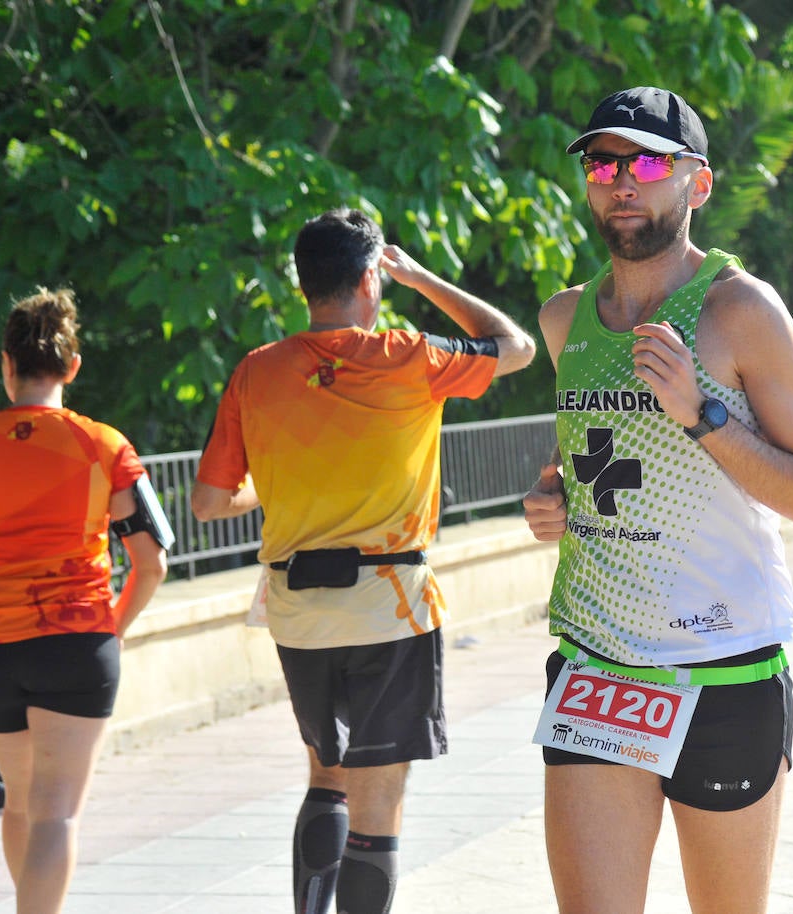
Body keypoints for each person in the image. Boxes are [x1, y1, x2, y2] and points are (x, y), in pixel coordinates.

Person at [522, 86, 793, 914]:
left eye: (648, 161)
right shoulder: (565, 320)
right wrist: (555, 493)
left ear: (696, 184)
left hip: (725, 667)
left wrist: (703, 419)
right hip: (598, 663)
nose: (622, 180)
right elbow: (595, 456)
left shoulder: (741, 313)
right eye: (603, 162)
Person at [191, 209, 535, 914]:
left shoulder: (256, 374)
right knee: (378, 802)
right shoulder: (408, 355)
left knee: (327, 777)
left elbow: (207, 502)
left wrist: (287, 487)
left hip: (297, 613)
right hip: (388, 603)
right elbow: (517, 345)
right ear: (370, 277)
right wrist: (422, 277)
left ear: (304, 284)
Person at [0, 288, 170, 914]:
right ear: (73, 367)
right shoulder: (106, 446)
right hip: (77, 642)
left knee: (20, 802)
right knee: (56, 814)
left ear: (6, 365)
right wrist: (115, 628)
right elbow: (154, 560)